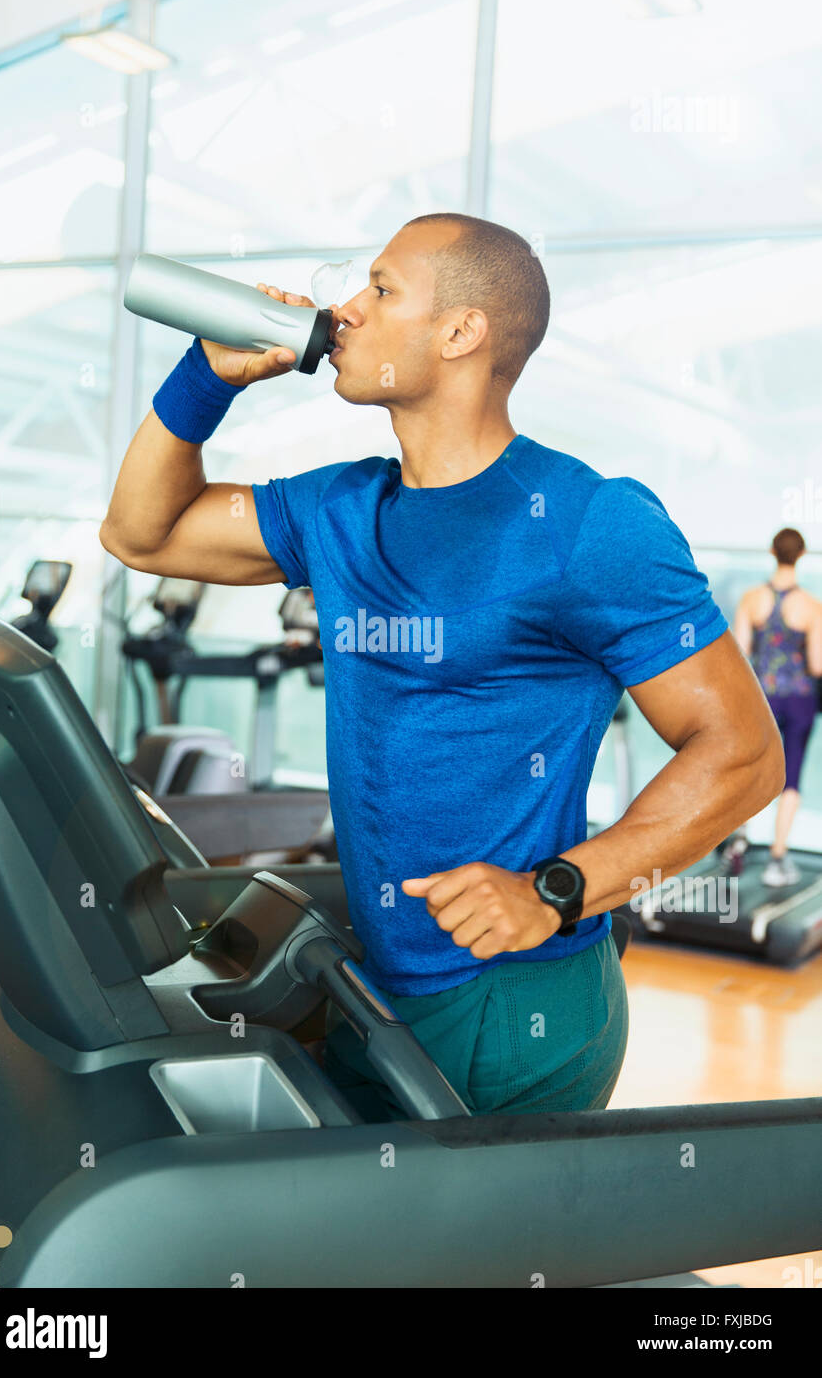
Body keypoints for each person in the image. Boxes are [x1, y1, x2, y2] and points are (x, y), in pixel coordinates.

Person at [100, 213, 784, 1122]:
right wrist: (203, 380)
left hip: (518, 1001)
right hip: (386, 979)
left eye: (381, 290)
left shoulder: (590, 523)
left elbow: (743, 752)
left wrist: (558, 892)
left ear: (461, 333)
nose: (347, 308)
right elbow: (137, 533)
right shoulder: (342, 506)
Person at [733, 528, 822, 886]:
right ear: (800, 555)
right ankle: (777, 858)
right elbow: (816, 665)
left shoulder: (751, 599)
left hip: (762, 697)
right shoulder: (811, 606)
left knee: (752, 770)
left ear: (773, 551)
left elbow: (740, 653)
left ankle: (738, 841)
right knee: (792, 775)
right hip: (800, 698)